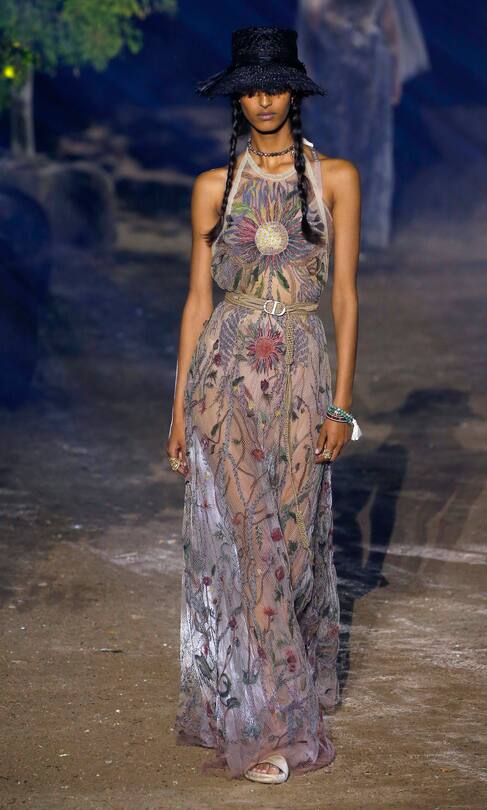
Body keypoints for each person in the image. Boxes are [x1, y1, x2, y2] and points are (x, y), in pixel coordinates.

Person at [166, 26, 362, 783]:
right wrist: (179, 407)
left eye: (276, 85)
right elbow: (194, 302)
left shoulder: (334, 178)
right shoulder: (212, 187)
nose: (264, 99)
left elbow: (344, 297)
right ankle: (264, 726)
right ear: (237, 96)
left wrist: (342, 408)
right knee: (251, 549)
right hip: (223, 379)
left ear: (295, 92)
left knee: (293, 545)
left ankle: (274, 693)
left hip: (303, 378)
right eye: (251, 87)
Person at [297, 0, 430, 252]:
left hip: (346, 67)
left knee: (345, 146)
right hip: (358, 67)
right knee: (363, 148)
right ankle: (359, 229)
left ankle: (341, 227)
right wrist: (393, 76)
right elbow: (389, 27)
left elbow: (312, 21)